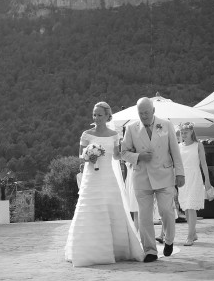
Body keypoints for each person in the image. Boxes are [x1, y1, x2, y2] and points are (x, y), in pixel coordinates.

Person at [65, 102, 144, 267]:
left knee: (112, 208)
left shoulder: (114, 135)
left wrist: (131, 155)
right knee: (90, 208)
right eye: (94, 114)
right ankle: (88, 251)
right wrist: (88, 156)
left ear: (108, 116)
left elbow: (116, 156)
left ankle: (116, 250)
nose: (96, 118)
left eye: (99, 115)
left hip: (108, 176)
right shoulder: (86, 134)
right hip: (91, 177)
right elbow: (80, 155)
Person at [121, 97, 185, 263]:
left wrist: (180, 173)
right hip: (142, 177)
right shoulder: (131, 128)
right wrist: (139, 156)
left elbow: (175, 151)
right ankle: (150, 251)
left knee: (166, 211)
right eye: (140, 113)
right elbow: (123, 152)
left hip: (164, 175)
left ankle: (169, 239)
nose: (144, 116)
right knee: (144, 217)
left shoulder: (166, 125)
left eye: (146, 113)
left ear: (153, 111)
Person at [177, 122, 212, 246]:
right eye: (181, 132)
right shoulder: (178, 146)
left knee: (191, 206)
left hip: (195, 178)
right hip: (182, 179)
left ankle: (190, 236)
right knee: (186, 207)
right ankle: (194, 232)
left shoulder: (198, 145)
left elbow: (203, 164)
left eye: (185, 132)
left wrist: (207, 180)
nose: (183, 134)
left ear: (191, 132)